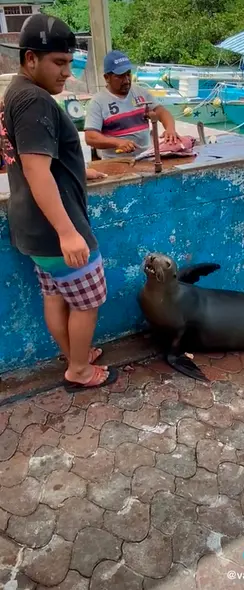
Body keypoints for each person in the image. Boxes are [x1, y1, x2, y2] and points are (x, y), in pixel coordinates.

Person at [0, 14, 118, 389]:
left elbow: (35, 159)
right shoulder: (34, 100)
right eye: (59, 62)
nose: (68, 72)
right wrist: (68, 233)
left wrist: (79, 170)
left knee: (55, 294)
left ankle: (74, 355)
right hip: (54, 227)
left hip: (31, 227)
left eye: (70, 62)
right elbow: (37, 171)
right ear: (30, 58)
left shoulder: (15, 94)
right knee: (88, 298)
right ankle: (79, 369)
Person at [83, 50, 178, 161]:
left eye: (128, 74)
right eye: (120, 76)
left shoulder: (141, 92)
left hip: (146, 157)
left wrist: (170, 129)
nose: (126, 81)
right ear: (107, 78)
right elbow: (90, 137)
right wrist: (117, 142)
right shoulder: (97, 102)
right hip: (115, 162)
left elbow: (161, 111)